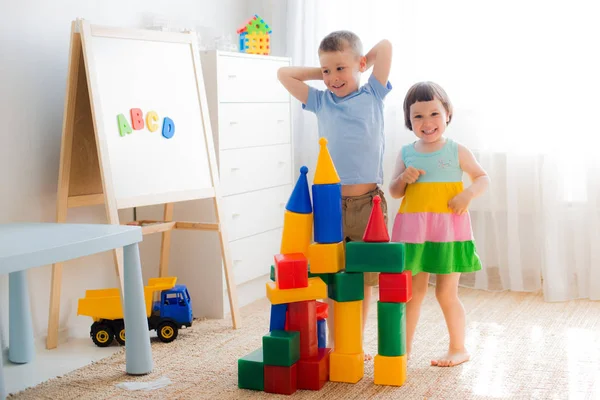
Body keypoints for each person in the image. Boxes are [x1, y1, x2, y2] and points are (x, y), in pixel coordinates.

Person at [277, 30, 393, 360]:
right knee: (333, 275)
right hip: (330, 205)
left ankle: (354, 339)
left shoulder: (373, 93)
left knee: (364, 276)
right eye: (326, 72)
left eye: (340, 69)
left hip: (367, 203)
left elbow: (385, 46)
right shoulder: (320, 101)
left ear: (358, 65)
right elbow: (283, 74)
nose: (332, 78)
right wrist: (324, 69)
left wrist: (358, 64)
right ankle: (333, 342)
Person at [389, 81, 490, 367]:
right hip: (414, 233)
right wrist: (402, 179)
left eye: (434, 113)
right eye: (418, 116)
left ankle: (458, 348)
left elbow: (483, 178)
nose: (427, 122)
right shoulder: (407, 152)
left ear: (447, 113)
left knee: (446, 292)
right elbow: (395, 191)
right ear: (409, 120)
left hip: (448, 232)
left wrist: (467, 194)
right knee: (412, 293)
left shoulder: (456, 150)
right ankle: (403, 350)